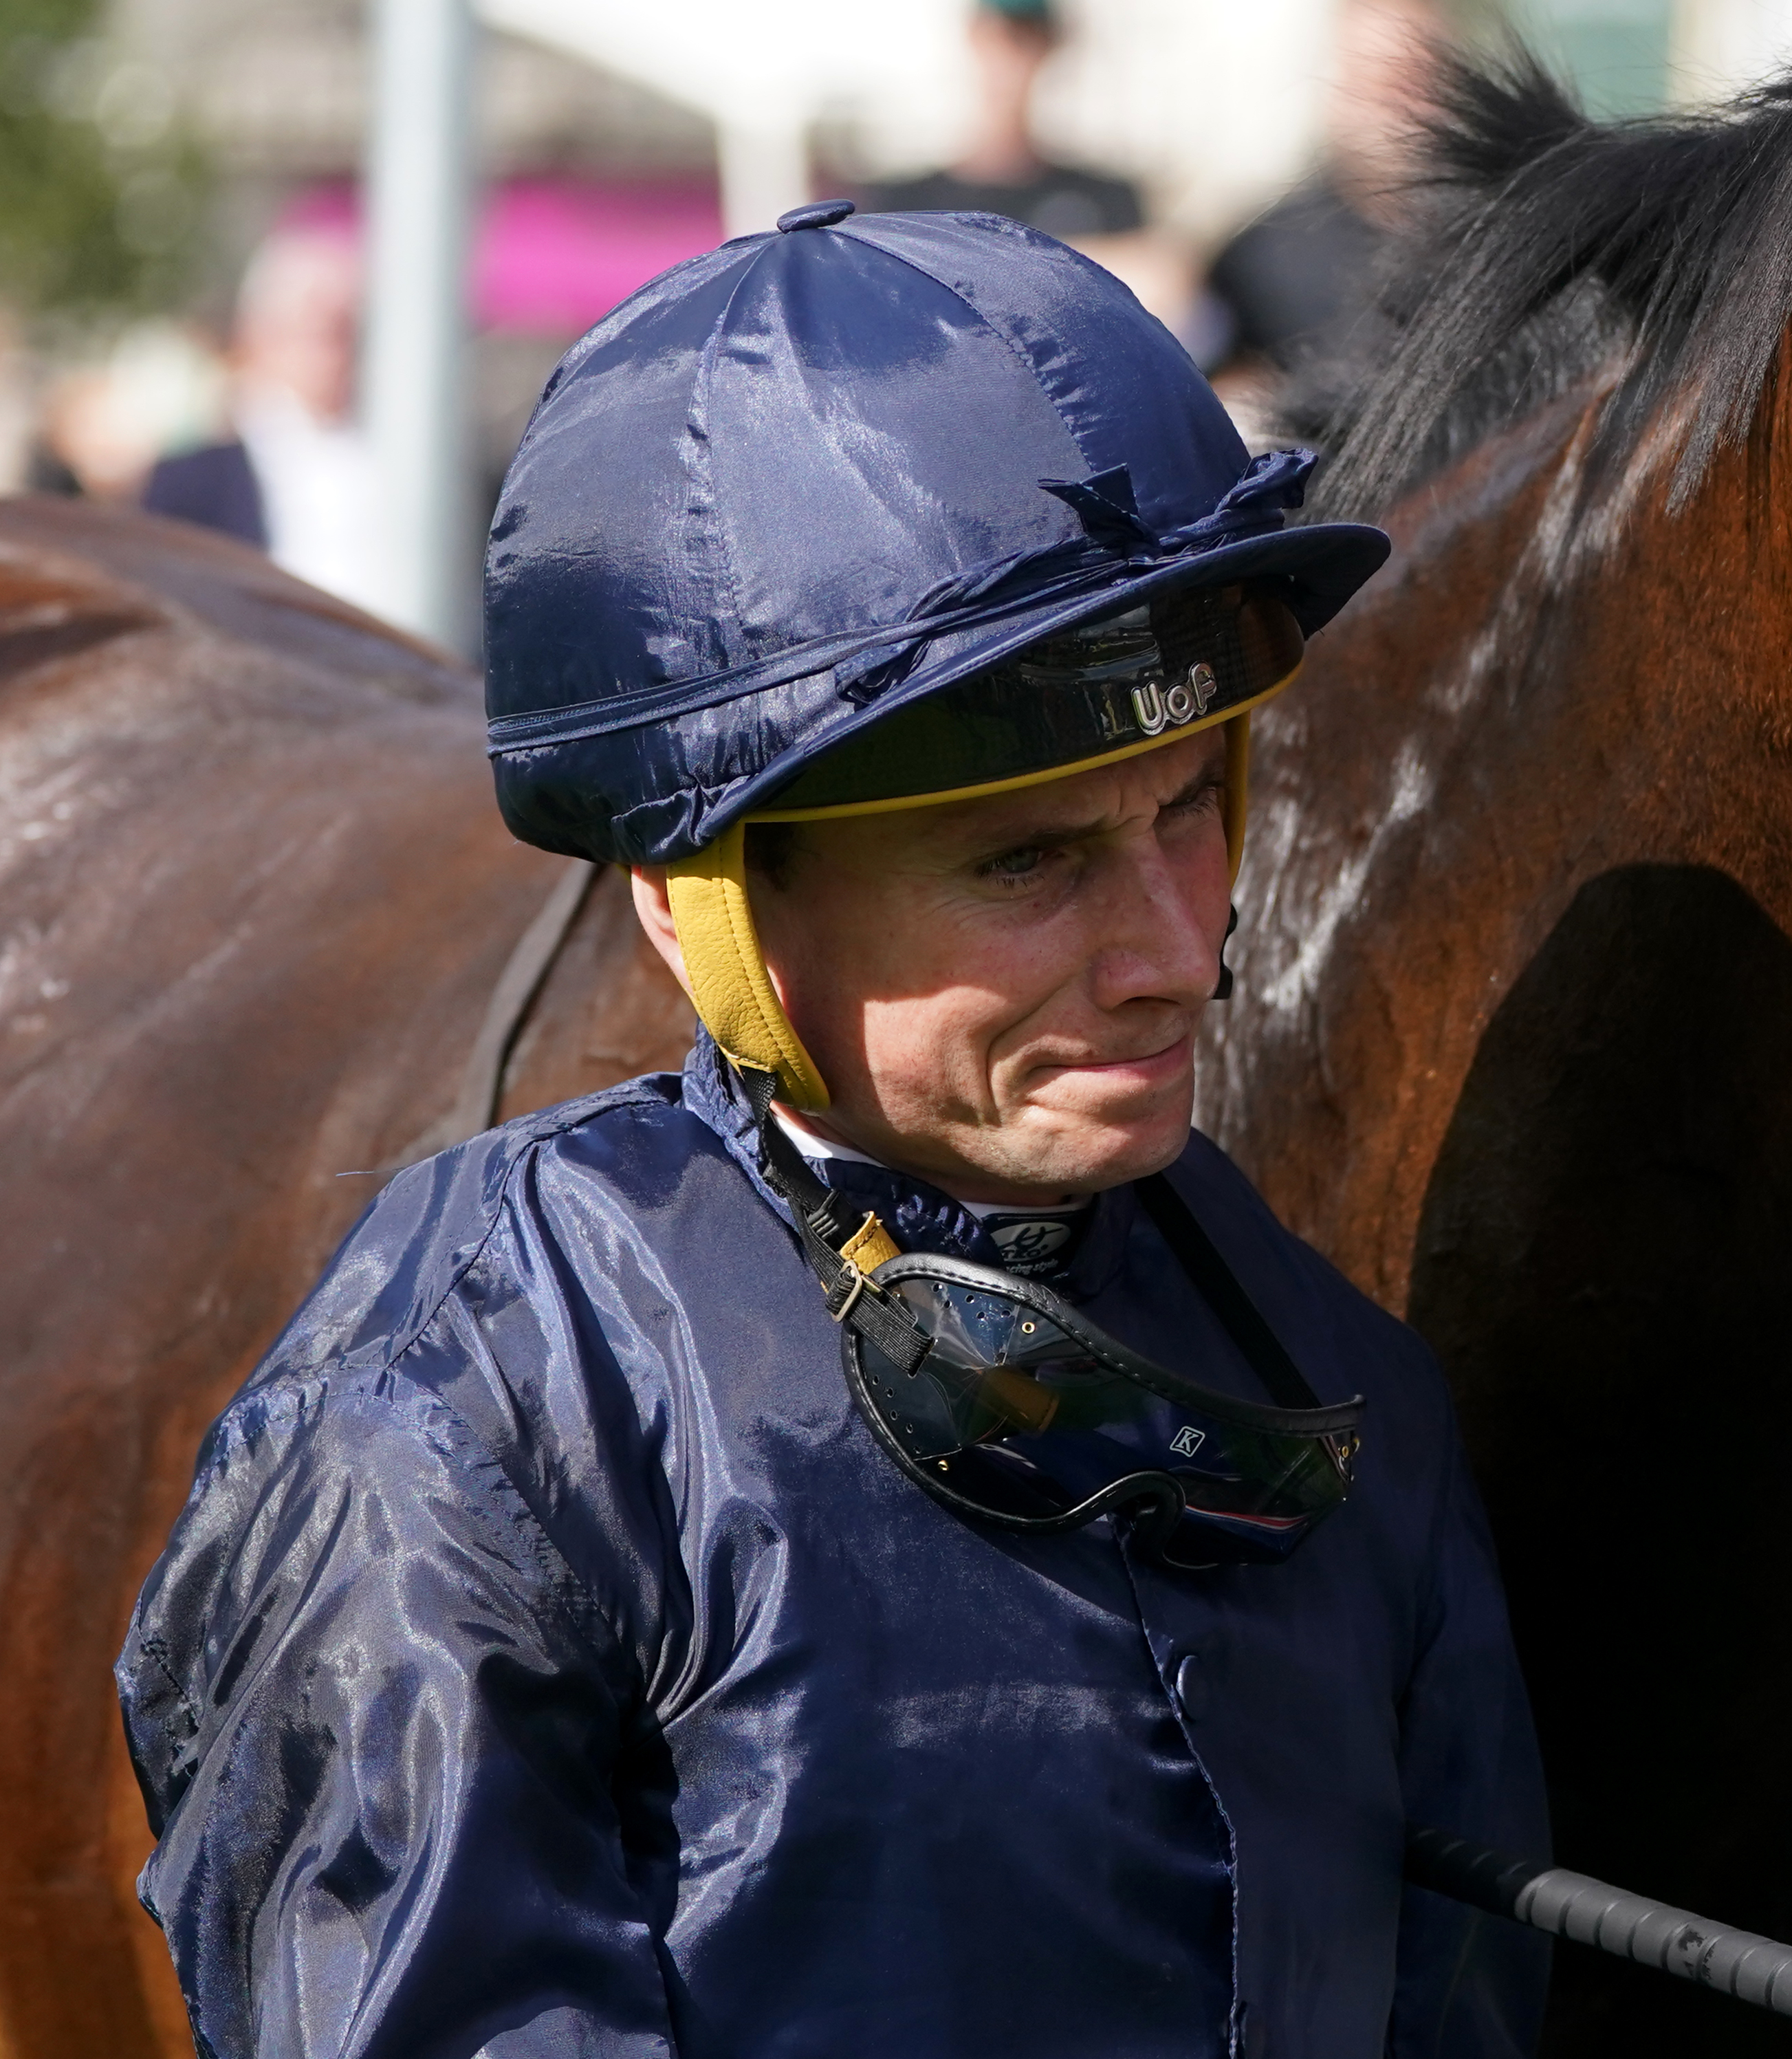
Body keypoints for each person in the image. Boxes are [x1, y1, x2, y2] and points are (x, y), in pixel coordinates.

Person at [119, 200, 1548, 2056]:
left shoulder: (1341, 1388)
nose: (1179, 953)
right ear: (700, 903)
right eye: (1027, 862)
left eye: (1190, 807)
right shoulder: (467, 1420)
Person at [1201, 0, 1449, 437]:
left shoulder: (1502, 245)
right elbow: (1209, 390)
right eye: (1367, 79)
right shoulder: (1261, 254)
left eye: (1410, 81)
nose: (1387, 106)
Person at [138, 226, 403, 618]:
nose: (330, 353)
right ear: (258, 335)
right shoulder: (193, 482)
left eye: (344, 331)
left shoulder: (419, 461)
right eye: (311, 332)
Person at [859, 0, 1152, 246]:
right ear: (972, 37)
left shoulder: (1105, 199)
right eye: (993, 36)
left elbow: (1153, 278)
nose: (1007, 57)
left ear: (1049, 47)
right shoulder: (900, 205)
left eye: (1023, 38)